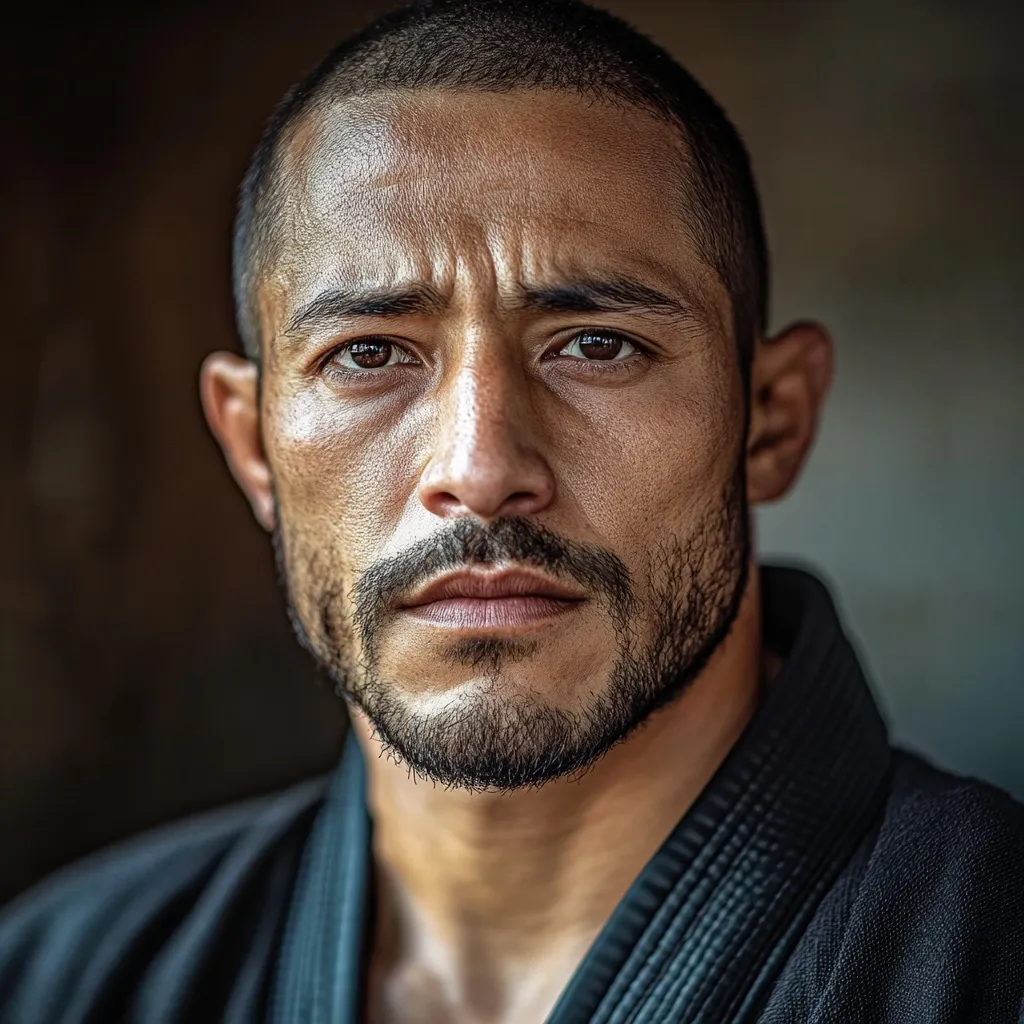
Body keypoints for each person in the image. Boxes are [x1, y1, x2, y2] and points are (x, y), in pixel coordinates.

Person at [2, 0, 1023, 1021]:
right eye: (368, 354)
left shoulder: (984, 955)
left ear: (769, 419)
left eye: (597, 344)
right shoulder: (63, 980)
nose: (480, 469)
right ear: (251, 443)